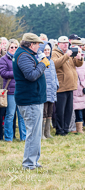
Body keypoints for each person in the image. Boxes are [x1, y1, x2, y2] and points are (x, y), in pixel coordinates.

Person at [12, 33, 50, 170]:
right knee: (33, 133)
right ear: (31, 44)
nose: (39, 46)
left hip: (33, 98)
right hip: (30, 100)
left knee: (36, 133)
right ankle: (28, 164)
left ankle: (33, 161)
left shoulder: (26, 54)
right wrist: (42, 64)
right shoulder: (23, 56)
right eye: (38, 44)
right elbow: (31, 75)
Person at [51, 36, 83, 136]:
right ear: (58, 44)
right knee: (60, 110)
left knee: (68, 110)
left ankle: (65, 129)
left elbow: (78, 64)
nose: (65, 45)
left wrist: (79, 58)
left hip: (70, 85)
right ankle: (59, 130)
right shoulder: (54, 53)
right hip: (61, 86)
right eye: (63, 43)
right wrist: (66, 56)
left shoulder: (69, 52)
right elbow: (55, 64)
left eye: (66, 43)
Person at [0, 39, 26, 142]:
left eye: (16, 47)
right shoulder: (3, 59)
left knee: (21, 116)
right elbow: (3, 73)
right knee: (10, 115)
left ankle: (24, 137)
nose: (14, 49)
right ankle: (8, 138)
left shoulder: (21, 58)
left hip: (20, 90)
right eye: (12, 47)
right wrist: (17, 73)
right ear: (7, 48)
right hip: (10, 91)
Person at [36, 42, 59, 139]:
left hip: (52, 90)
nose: (47, 52)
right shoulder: (39, 61)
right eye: (45, 50)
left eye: (48, 50)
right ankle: (41, 134)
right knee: (44, 112)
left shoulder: (52, 62)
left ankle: (47, 132)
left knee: (50, 112)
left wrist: (56, 84)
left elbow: (54, 75)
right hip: (44, 90)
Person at [73, 46, 85, 133]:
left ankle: (80, 129)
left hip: (80, 90)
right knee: (71, 110)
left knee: (80, 109)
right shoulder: (70, 63)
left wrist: (83, 84)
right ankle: (72, 128)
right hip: (71, 90)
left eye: (79, 52)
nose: (78, 54)